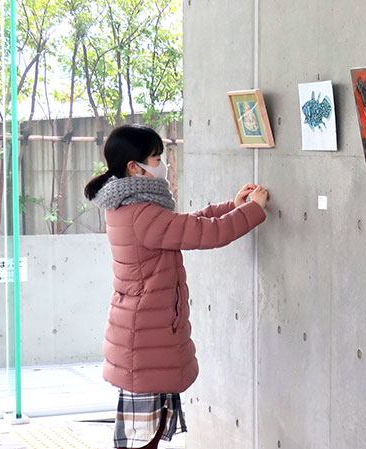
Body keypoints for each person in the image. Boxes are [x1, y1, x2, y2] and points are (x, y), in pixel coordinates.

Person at [83, 124, 269, 449]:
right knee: (143, 439)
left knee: (144, 435)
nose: (162, 163)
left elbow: (186, 224)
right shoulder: (142, 213)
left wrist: (233, 205)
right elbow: (209, 233)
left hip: (140, 336)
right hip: (145, 339)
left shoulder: (130, 207)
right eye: (156, 158)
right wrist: (253, 209)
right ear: (134, 167)